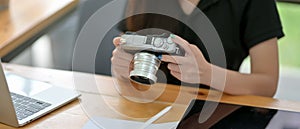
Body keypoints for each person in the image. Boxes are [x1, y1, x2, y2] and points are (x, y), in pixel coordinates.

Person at [111, 0, 284, 97]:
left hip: (219, 112)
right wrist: (122, 69)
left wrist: (206, 73)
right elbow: (130, 62)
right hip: (151, 108)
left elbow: (267, 84)